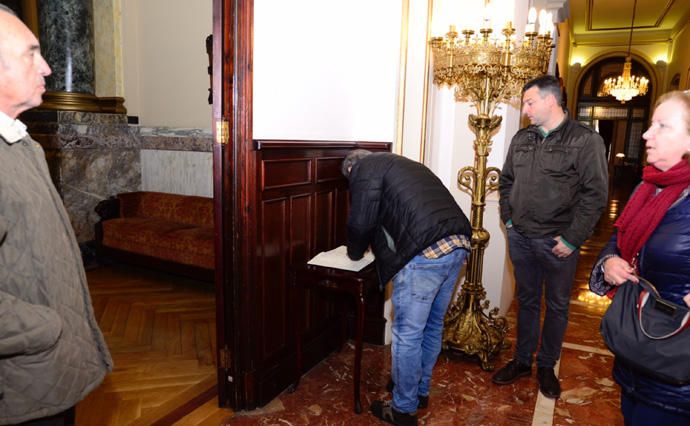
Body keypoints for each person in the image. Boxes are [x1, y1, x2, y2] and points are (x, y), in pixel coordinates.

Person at [0, 6, 113, 425]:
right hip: (21, 383)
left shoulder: (21, 144)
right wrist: (46, 327)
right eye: (31, 53)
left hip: (48, 373)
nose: (47, 68)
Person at [493, 75, 608, 399]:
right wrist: (509, 219)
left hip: (558, 243)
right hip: (521, 238)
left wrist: (572, 239)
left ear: (550, 100)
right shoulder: (522, 138)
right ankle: (522, 361)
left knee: (556, 306)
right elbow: (506, 182)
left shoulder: (584, 141)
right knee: (526, 301)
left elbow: (595, 195)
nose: (525, 108)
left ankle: (546, 365)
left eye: (530, 102)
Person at [342, 150, 471, 426]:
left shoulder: (363, 169)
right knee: (432, 326)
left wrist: (353, 254)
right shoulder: (401, 163)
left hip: (426, 253)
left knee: (407, 335)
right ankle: (419, 392)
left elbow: (360, 221)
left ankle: (402, 409)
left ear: (352, 168)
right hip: (457, 242)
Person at [589, 90, 690, 425]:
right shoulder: (647, 186)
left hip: (676, 369)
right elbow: (619, 240)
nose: (647, 134)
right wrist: (609, 262)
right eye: (650, 125)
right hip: (637, 347)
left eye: (662, 126)